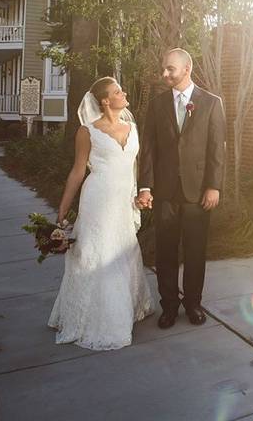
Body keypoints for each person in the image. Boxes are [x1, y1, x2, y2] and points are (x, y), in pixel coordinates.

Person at [48, 77, 154, 350]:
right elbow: (77, 172)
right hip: (97, 200)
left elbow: (133, 166)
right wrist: (61, 211)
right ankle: (104, 320)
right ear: (106, 100)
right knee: (100, 254)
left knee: (124, 251)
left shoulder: (132, 127)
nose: (124, 93)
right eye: (118, 91)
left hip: (122, 201)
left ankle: (127, 308)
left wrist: (139, 194)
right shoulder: (87, 132)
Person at [137, 48, 226, 328]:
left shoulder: (211, 103)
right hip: (164, 192)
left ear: (186, 69)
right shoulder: (157, 104)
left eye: (170, 69)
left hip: (197, 191)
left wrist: (214, 186)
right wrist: (146, 187)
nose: (164, 74)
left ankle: (193, 304)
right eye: (164, 68)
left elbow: (217, 149)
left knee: (195, 250)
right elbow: (148, 149)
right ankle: (169, 307)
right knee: (165, 251)